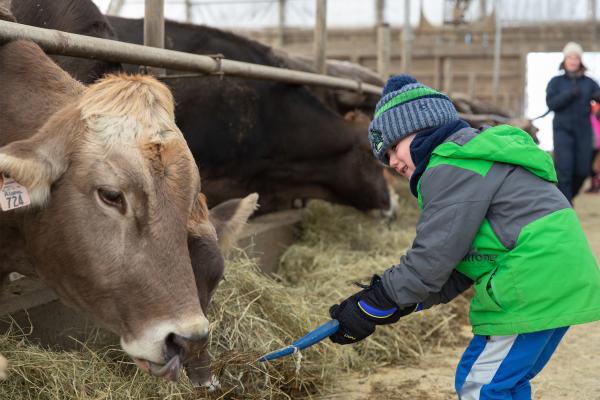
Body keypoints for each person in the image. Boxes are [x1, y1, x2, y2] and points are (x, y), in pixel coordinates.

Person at [329, 74, 600, 400]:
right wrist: (399, 304)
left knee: (479, 386)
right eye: (385, 157)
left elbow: (431, 260)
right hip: (553, 276)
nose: (392, 162)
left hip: (529, 281)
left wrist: (374, 301)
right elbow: (457, 265)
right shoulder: (471, 158)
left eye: (393, 147)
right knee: (503, 382)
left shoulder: (450, 166)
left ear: (420, 128)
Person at [546, 41, 600, 203]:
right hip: (563, 131)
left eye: (576, 57)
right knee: (565, 171)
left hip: (583, 132)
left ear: (580, 60)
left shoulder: (589, 83)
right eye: (570, 57)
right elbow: (551, 104)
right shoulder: (556, 82)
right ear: (565, 60)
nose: (573, 60)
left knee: (582, 171)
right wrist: (569, 94)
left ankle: (565, 200)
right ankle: (566, 208)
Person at [586, 101, 600, 193]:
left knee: (593, 167)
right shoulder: (592, 117)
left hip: (594, 144)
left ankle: (595, 186)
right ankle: (594, 186)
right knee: (593, 167)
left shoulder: (591, 117)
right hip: (594, 144)